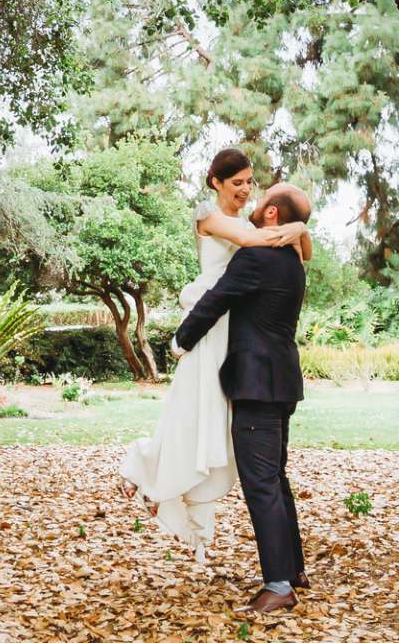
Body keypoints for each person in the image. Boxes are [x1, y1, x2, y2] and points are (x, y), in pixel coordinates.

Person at [114, 149, 310, 563]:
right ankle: (150, 474)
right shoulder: (212, 217)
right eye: (236, 181)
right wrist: (296, 228)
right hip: (213, 324)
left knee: (216, 428)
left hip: (234, 334)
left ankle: (170, 486)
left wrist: (296, 230)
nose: (244, 190)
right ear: (216, 182)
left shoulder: (259, 234)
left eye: (249, 183)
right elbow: (253, 244)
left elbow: (278, 247)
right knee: (192, 409)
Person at [173, 179, 313, 615]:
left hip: (256, 383)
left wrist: (182, 340)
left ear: (272, 214)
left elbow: (218, 299)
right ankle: (293, 571)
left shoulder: (257, 257)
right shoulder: (292, 260)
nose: (254, 202)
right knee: (276, 477)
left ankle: (277, 586)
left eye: (263, 199)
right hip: (282, 381)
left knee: (261, 483)